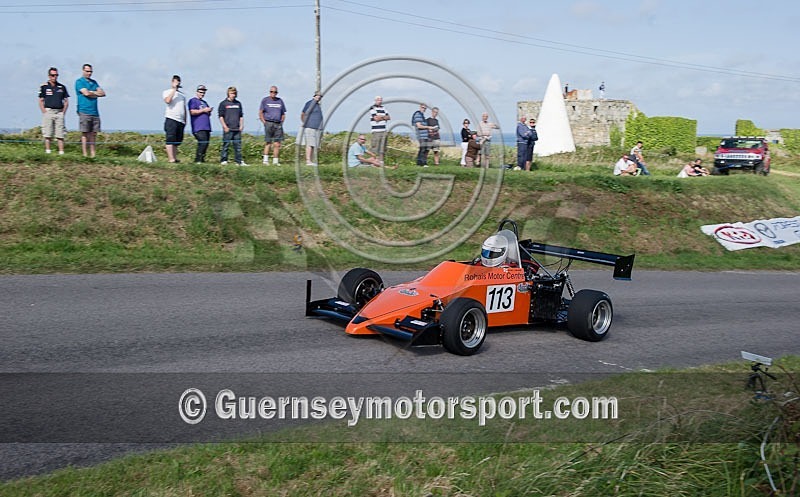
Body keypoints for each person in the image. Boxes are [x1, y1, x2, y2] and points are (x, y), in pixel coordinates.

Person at [75, 63, 106, 158]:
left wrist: (92, 92)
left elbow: (103, 93)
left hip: (94, 111)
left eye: (90, 71)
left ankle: (93, 154)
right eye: (87, 71)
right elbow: (86, 93)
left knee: (93, 134)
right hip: (84, 110)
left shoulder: (94, 82)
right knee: (85, 133)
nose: (89, 73)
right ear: (83, 71)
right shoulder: (79, 81)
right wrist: (95, 93)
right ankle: (85, 154)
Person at [38, 67, 69, 155]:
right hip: (49, 111)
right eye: (52, 75)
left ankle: (61, 152)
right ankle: (48, 151)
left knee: (60, 134)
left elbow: (66, 101)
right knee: (47, 133)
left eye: (56, 75)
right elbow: (40, 100)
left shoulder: (62, 87)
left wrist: (63, 113)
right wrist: (44, 112)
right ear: (49, 76)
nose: (54, 77)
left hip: (59, 112)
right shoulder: (44, 87)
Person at [218, 86, 246, 166]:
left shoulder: (238, 103)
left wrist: (241, 125)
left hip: (237, 128)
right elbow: (221, 116)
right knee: (226, 145)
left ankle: (238, 161)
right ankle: (224, 160)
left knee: (238, 146)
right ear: (228, 94)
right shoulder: (223, 104)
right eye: (231, 93)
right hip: (228, 128)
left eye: (234, 93)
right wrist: (224, 126)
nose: (233, 95)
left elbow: (241, 116)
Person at [259, 85, 286, 165]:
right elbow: (260, 112)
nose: (273, 93)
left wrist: (281, 122)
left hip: (278, 124)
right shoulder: (265, 100)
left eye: (275, 92)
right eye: (271, 92)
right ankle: (265, 160)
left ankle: (275, 161)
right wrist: (264, 122)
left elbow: (283, 113)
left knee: (277, 143)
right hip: (268, 122)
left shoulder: (280, 101)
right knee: (268, 142)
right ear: (269, 92)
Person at [162, 75, 186, 163]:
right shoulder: (166, 92)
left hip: (181, 120)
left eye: (178, 81)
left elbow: (183, 108)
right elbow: (168, 101)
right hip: (171, 118)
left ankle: (175, 158)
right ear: (172, 82)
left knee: (177, 140)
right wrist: (174, 90)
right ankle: (171, 158)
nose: (177, 83)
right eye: (176, 81)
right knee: (170, 138)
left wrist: (185, 120)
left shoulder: (182, 95)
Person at [188, 84, 213, 163]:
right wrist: (203, 110)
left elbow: (207, 113)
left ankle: (201, 159)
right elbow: (192, 112)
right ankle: (198, 160)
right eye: (201, 92)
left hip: (206, 127)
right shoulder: (193, 100)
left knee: (206, 143)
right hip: (198, 126)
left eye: (203, 92)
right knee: (202, 142)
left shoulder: (205, 102)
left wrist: (208, 111)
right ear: (197, 92)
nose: (202, 94)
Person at [300, 91, 323, 166]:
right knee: (309, 144)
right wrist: (305, 123)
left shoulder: (317, 105)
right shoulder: (310, 103)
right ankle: (308, 160)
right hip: (310, 127)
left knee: (313, 145)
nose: (319, 97)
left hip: (316, 128)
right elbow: (303, 114)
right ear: (314, 96)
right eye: (317, 96)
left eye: (320, 96)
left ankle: (311, 161)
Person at [369, 96, 390, 163]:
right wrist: (384, 117)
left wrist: (380, 117)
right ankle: (374, 162)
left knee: (383, 148)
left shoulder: (384, 108)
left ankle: (381, 162)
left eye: (381, 100)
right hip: (376, 131)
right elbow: (376, 119)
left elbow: (388, 117)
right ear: (375, 100)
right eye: (378, 100)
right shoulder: (372, 108)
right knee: (375, 148)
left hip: (384, 130)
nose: (379, 101)